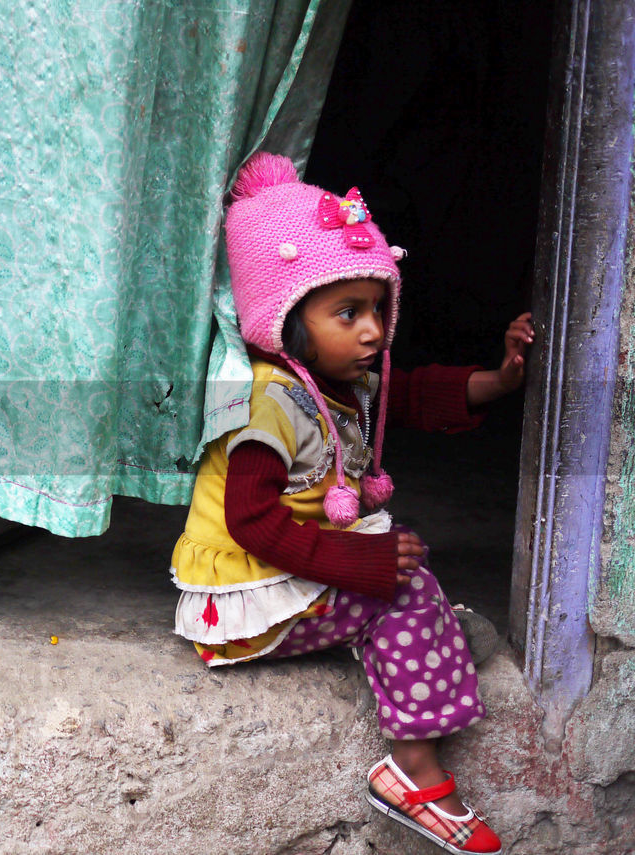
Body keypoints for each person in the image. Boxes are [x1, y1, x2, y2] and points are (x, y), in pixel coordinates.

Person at [171, 152, 534, 855]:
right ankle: (415, 771)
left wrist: (499, 378)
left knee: (402, 565)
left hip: (289, 578)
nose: (372, 330)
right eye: (348, 312)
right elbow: (251, 520)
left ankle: (425, 646)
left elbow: (420, 394)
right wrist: (357, 563)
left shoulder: (342, 383)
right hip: (241, 598)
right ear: (286, 319)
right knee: (402, 586)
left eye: (376, 308)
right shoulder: (266, 403)